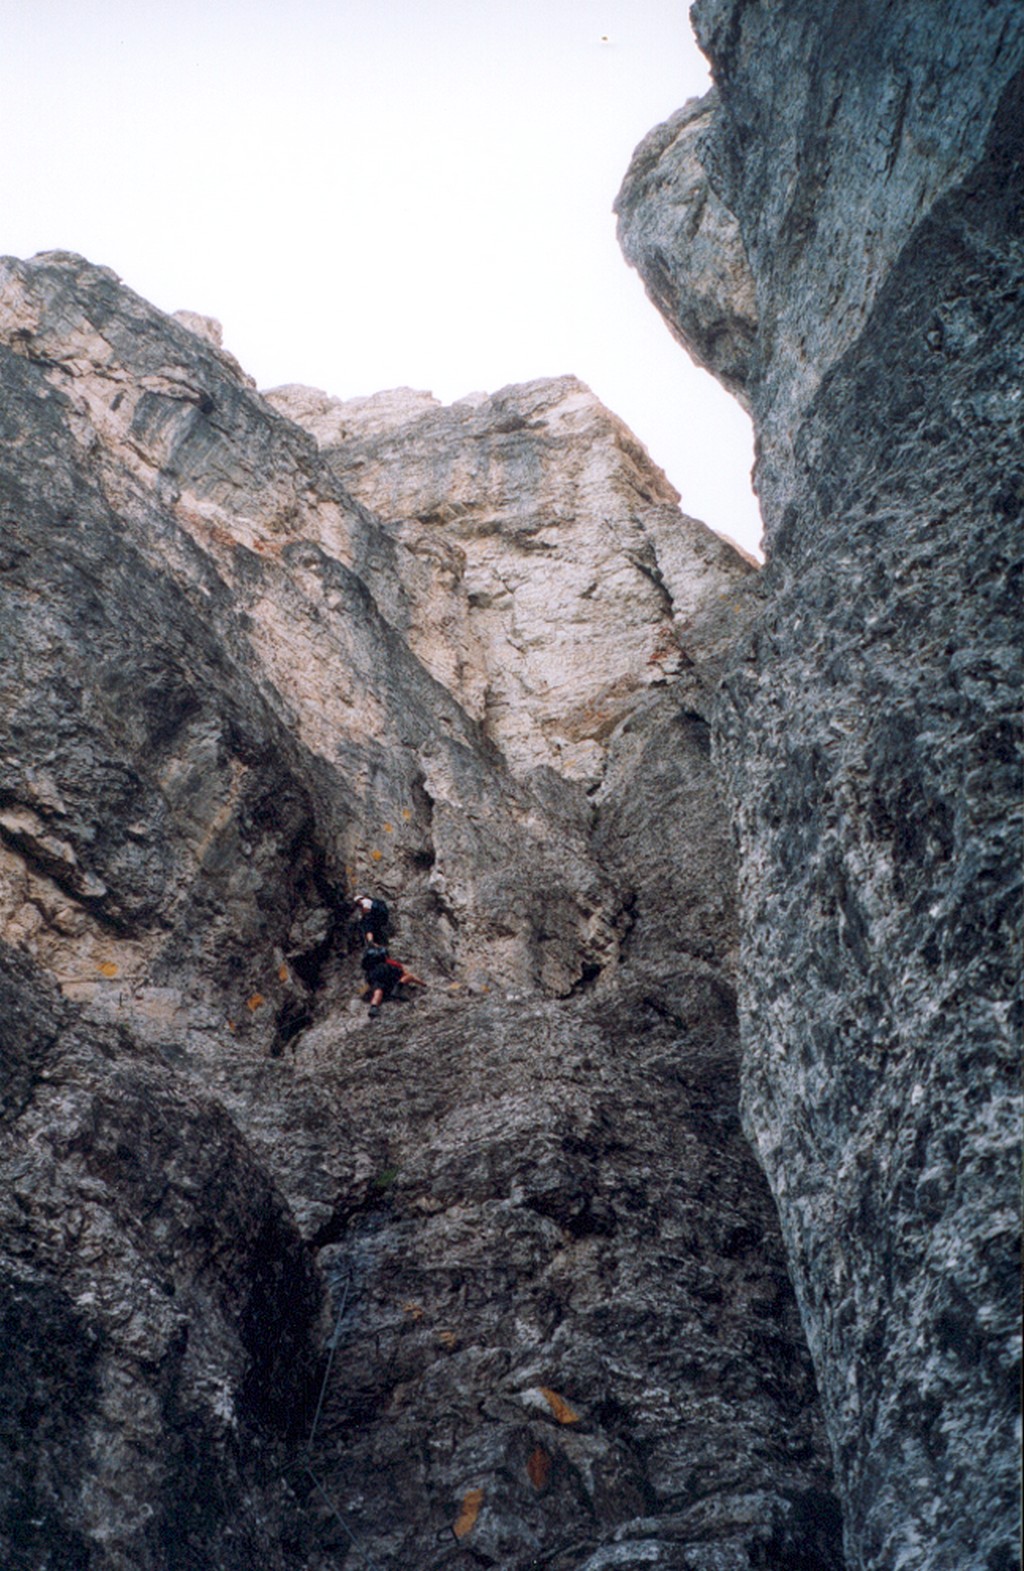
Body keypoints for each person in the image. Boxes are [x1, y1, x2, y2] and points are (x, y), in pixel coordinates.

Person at [360, 943, 426, 1018]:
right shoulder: (388, 964)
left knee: (378, 991)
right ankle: (397, 989)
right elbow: (406, 974)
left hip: (376, 979)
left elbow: (367, 985)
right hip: (389, 976)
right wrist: (423, 984)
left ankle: (374, 1007)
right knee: (408, 976)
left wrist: (360, 992)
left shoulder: (370, 971)